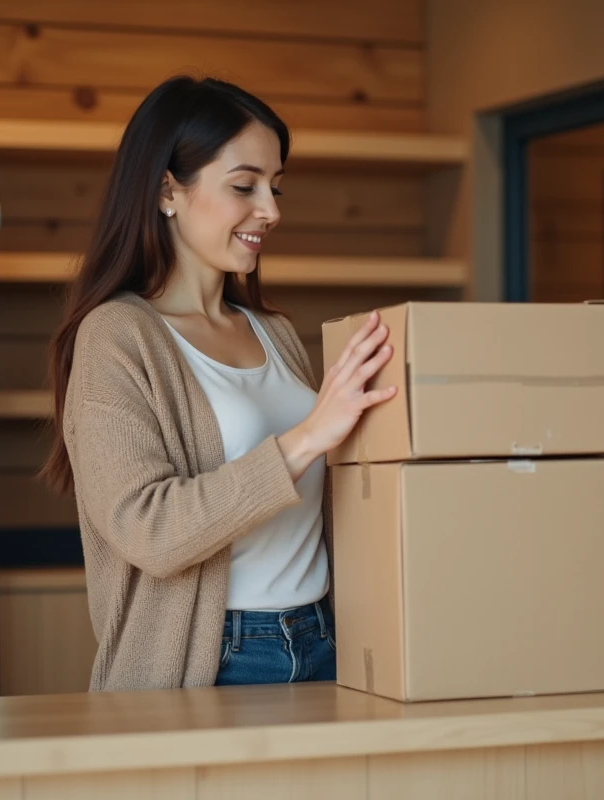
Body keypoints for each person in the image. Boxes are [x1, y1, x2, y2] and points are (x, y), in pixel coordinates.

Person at [41, 76, 397, 691]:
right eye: (244, 186)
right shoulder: (117, 337)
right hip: (216, 661)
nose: (272, 209)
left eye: (275, 186)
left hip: (326, 640)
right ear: (166, 191)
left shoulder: (275, 333)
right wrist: (307, 438)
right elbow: (148, 531)